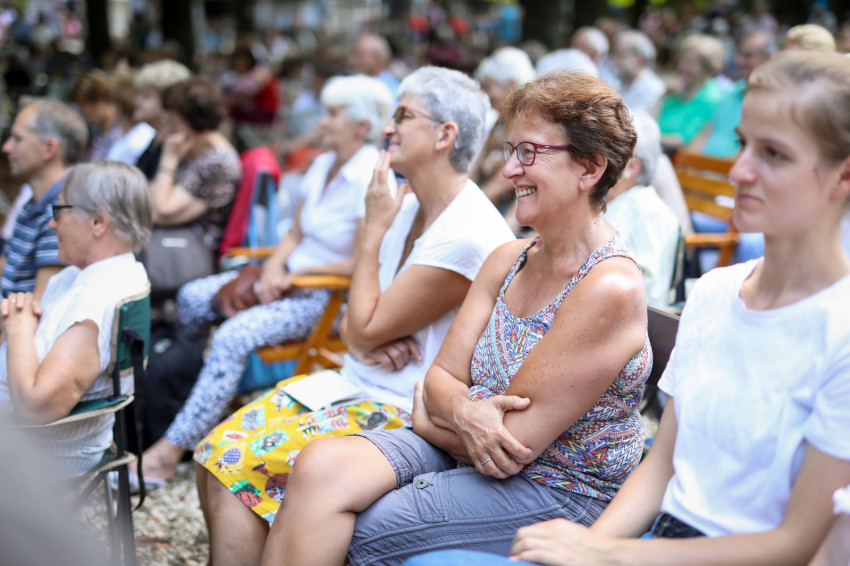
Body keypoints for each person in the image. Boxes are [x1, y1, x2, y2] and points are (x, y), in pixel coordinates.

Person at [408, 49, 850, 566]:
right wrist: (594, 546)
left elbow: (797, 544)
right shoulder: (716, 293)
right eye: (742, 144)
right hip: (654, 538)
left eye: (773, 154)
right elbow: (660, 467)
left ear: (842, 176)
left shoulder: (838, 329)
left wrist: (606, 554)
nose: (740, 170)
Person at [261, 70, 650, 566]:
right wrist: (464, 412)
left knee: (355, 527)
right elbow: (440, 376)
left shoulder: (607, 287)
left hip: (558, 489)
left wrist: (436, 417)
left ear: (589, 168)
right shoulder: (509, 259)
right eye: (510, 150)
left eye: (528, 152)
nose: (509, 169)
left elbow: (510, 446)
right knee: (318, 466)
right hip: (467, 452)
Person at [193, 66, 515, 566]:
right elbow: (353, 328)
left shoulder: (465, 231)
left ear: (444, 135)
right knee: (213, 450)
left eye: (403, 115)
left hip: (404, 409)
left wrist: (372, 235)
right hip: (358, 383)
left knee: (235, 463)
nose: (388, 128)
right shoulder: (407, 208)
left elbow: (361, 328)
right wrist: (366, 333)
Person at [141, 74, 395, 484]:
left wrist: (298, 276)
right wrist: (275, 268)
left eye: (333, 114)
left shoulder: (370, 178)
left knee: (232, 337)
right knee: (191, 297)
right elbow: (294, 234)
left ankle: (167, 454)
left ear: (361, 126)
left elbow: (368, 263)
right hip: (290, 280)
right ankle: (186, 405)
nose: (323, 122)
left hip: (327, 297)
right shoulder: (325, 164)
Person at [0, 161, 152, 476]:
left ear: (98, 222)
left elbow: (36, 407)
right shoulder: (102, 273)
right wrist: (21, 315)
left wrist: (18, 330)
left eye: (59, 211)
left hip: (35, 455)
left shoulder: (97, 297)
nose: (51, 224)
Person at [1, 99, 88, 300]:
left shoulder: (62, 210)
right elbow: (8, 267)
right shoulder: (34, 201)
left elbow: (41, 306)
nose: (6, 147)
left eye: (17, 139)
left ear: (49, 149)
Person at [148, 75, 241, 260]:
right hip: (173, 243)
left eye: (173, 124)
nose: (167, 130)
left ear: (199, 126)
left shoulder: (218, 163)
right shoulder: (194, 149)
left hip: (192, 253)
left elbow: (161, 210)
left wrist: (169, 158)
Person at [604, 111, 680, 307]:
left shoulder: (647, 212)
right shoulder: (615, 201)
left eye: (606, 153)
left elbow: (649, 291)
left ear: (631, 167)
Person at [471, 47, 535, 228]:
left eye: (489, 86)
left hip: (509, 220)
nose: (486, 94)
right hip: (486, 208)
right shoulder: (500, 122)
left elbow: (503, 181)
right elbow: (475, 168)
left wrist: (467, 207)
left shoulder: (529, 125)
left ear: (511, 86)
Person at [689, 31, 776, 158]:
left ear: (768, 58)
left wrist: (709, 166)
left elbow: (751, 153)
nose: (739, 61)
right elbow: (704, 134)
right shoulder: (731, 92)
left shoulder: (773, 103)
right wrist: (688, 161)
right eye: (739, 54)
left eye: (748, 56)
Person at [657, 33, 726, 154]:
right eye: (682, 61)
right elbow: (652, 121)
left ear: (707, 67)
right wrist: (663, 95)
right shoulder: (677, 91)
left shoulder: (711, 98)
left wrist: (647, 139)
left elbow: (683, 140)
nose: (682, 67)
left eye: (690, 63)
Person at [130, 59, 192, 179]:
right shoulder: (155, 140)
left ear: (169, 101)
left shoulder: (176, 145)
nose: (136, 101)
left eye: (146, 96)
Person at [611, 30, 666, 115]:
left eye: (621, 55)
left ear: (639, 57)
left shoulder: (654, 89)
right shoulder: (620, 83)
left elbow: (637, 120)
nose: (616, 61)